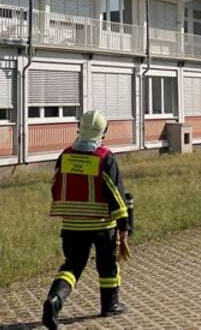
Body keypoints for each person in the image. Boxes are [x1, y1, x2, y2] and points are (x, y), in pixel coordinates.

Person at [42, 110, 131, 329]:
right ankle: (110, 305)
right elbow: (115, 193)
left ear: (79, 129)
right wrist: (124, 225)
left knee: (72, 265)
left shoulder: (65, 155)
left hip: (72, 225)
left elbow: (55, 186)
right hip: (102, 224)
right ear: (103, 132)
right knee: (107, 265)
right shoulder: (104, 157)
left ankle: (55, 300)